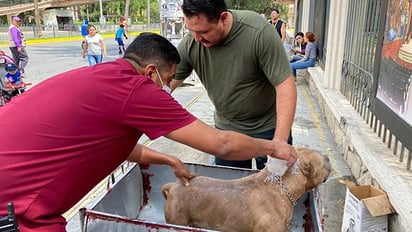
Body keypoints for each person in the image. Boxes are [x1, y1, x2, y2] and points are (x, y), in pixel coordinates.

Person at [0, 33, 297, 232]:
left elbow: (113, 146)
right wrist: (273, 147)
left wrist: (169, 160)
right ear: (151, 71)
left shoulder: (101, 76)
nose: (168, 88)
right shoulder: (136, 89)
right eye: (167, 79)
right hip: (15, 205)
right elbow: (222, 143)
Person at [170, 0, 297, 170]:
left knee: (276, 188)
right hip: (228, 131)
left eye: (203, 31)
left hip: (269, 128)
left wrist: (280, 141)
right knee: (231, 190)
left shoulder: (258, 32)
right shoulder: (191, 43)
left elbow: (285, 85)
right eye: (191, 30)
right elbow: (165, 84)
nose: (197, 38)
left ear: (223, 18)